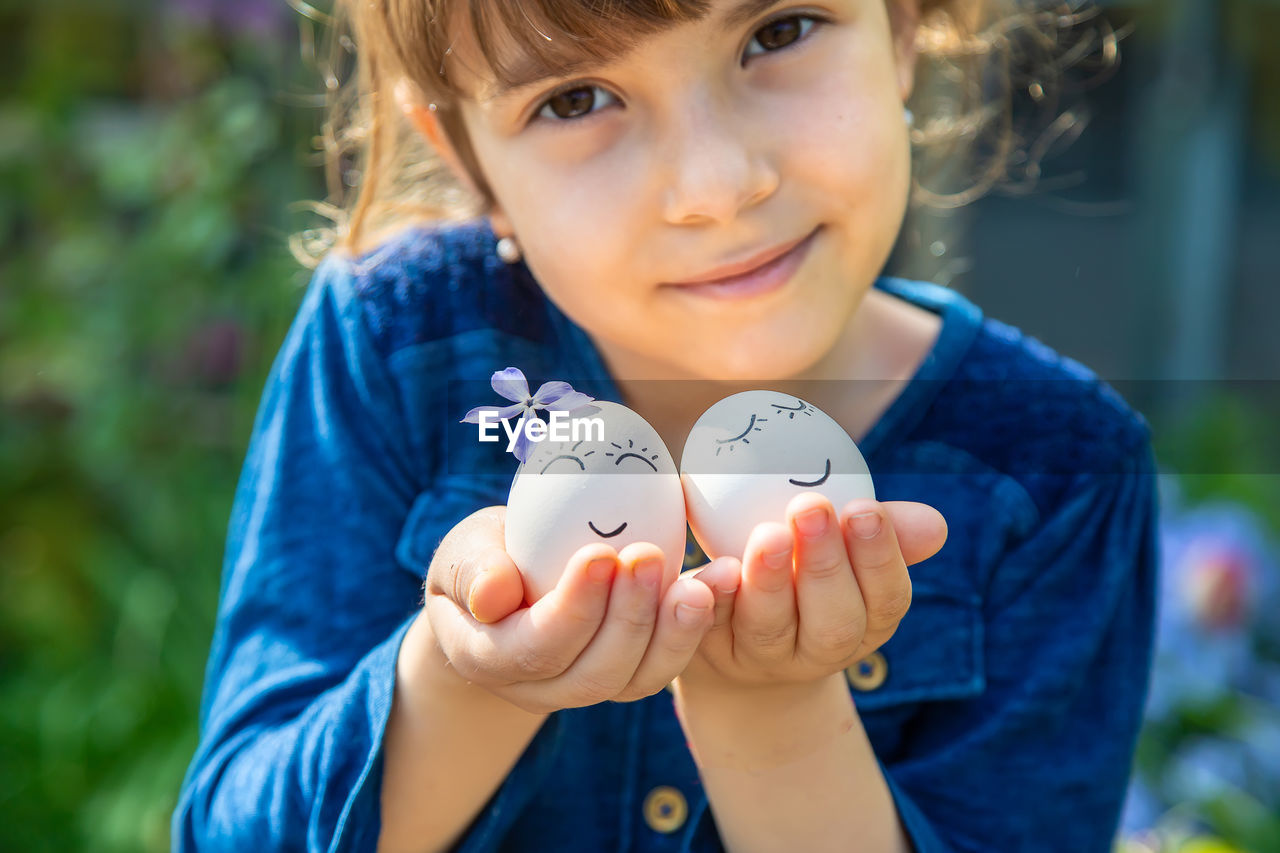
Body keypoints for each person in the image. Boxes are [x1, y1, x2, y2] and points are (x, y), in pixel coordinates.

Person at [172, 0, 1159, 851]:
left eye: (780, 29)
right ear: (469, 163)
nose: (716, 187)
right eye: (572, 99)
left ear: (902, 27)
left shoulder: (1057, 472)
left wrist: (772, 706)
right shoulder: (397, 346)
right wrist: (473, 674)